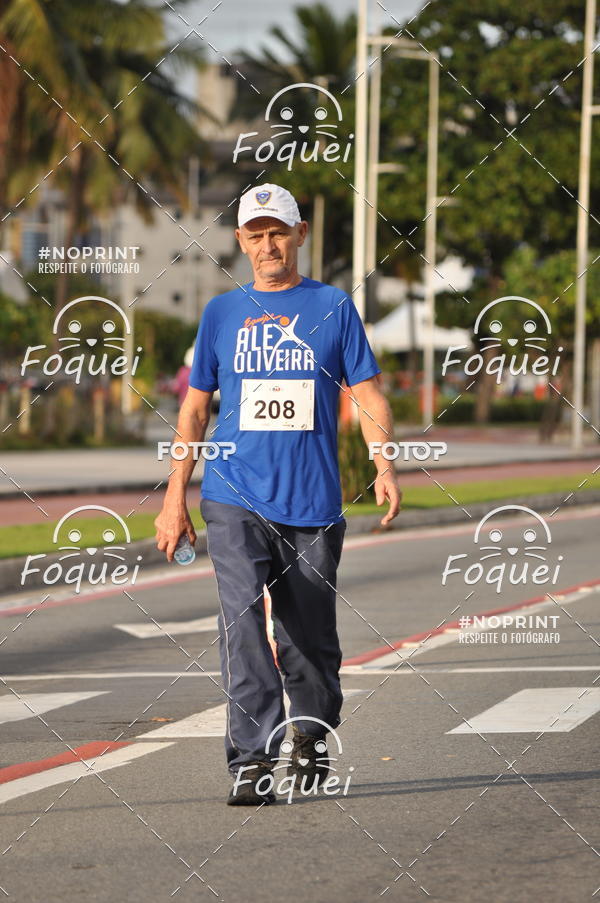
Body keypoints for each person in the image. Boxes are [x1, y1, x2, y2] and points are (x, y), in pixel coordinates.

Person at [155, 183, 402, 805]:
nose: (268, 244)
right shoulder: (220, 314)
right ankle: (251, 760)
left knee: (307, 639)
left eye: (279, 232)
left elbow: (368, 395)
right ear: (240, 241)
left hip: (313, 502)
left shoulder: (332, 307)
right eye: (255, 234)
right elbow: (194, 411)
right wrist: (174, 495)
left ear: (300, 235)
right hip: (233, 493)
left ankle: (313, 731)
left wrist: (384, 464)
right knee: (241, 623)